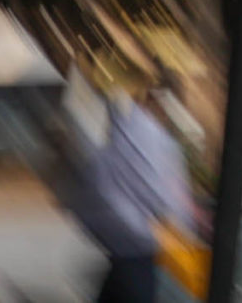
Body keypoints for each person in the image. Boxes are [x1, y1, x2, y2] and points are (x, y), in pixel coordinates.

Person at [59, 69, 198, 303]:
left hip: (115, 237)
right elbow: (169, 200)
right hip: (139, 246)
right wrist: (186, 224)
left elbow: (96, 171)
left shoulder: (122, 127)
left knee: (117, 286)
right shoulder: (160, 143)